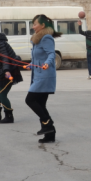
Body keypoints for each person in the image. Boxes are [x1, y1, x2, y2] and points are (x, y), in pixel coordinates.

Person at [26, 15, 61, 144]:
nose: (33, 26)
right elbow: (37, 57)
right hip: (38, 74)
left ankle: (48, 124)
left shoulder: (46, 37)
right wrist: (31, 64)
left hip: (45, 75)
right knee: (40, 104)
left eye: (35, 24)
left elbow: (51, 54)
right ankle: (50, 134)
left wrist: (47, 63)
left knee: (30, 100)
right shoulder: (37, 39)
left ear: (42, 26)